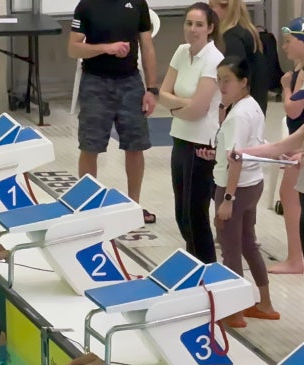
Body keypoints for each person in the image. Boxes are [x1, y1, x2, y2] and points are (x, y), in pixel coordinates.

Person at [198, 56, 279, 328]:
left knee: (230, 249)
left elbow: (236, 159)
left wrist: (227, 199)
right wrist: (216, 154)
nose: (222, 86)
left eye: (228, 81)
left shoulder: (238, 116)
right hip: (253, 183)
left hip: (235, 188)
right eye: (219, 80)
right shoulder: (252, 106)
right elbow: (242, 148)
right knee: (248, 244)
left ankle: (235, 311)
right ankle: (265, 303)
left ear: (244, 82)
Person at [68, 0, 158, 224]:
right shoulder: (86, 6)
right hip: (95, 83)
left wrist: (152, 89)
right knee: (90, 146)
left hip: (130, 82)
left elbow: (147, 47)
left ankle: (133, 205)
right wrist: (106, 48)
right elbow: (73, 48)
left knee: (135, 145)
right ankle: (87, 206)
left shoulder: (138, 3)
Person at [159, 2, 224, 264]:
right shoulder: (180, 51)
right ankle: (194, 265)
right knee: (181, 214)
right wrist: (183, 105)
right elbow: (162, 93)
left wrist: (174, 106)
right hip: (180, 137)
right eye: (188, 23)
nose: (192, 29)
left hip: (202, 143)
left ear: (210, 28)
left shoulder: (213, 59)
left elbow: (199, 110)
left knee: (196, 214)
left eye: (199, 25)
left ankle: (208, 270)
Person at [270, 20, 304, 274]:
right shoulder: (299, 68)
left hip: (300, 144)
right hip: (297, 141)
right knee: (290, 196)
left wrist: (284, 87)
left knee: (290, 197)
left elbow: (293, 109)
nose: (284, 47)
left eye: (289, 41)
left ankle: (296, 259)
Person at [209, 0, 269, 114]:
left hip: (240, 111)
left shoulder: (232, 39)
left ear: (226, 8)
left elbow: (233, 80)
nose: (209, 11)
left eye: (212, 7)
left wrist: (221, 108)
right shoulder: (246, 32)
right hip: (253, 107)